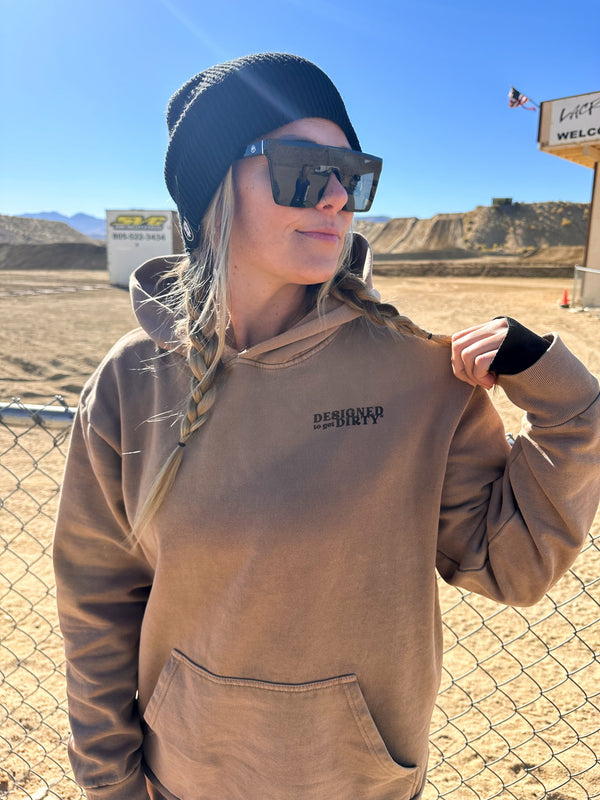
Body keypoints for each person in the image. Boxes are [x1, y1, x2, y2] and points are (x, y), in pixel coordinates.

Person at [53, 53, 600, 800]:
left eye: (355, 173)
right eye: (306, 171)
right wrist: (111, 786)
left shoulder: (416, 375)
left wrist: (567, 404)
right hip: (181, 780)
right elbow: (96, 606)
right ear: (215, 186)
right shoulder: (130, 381)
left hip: (360, 785)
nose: (340, 197)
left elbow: (516, 567)